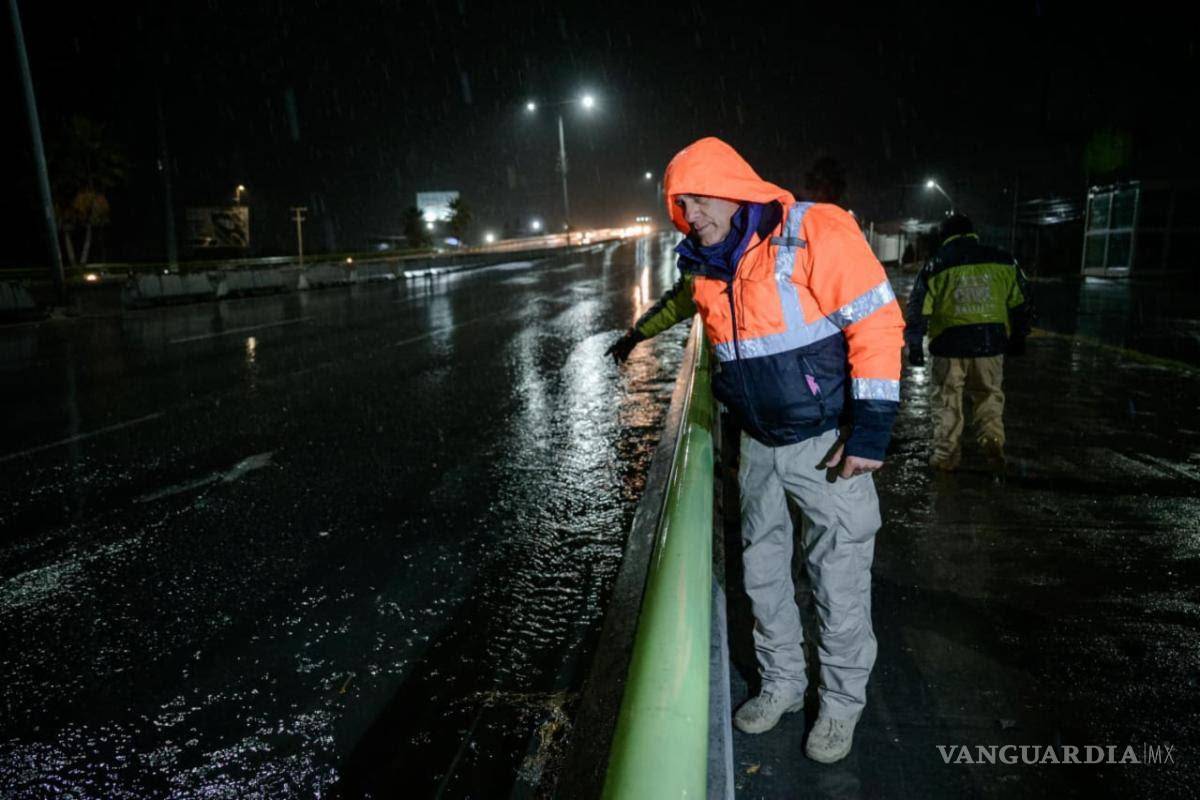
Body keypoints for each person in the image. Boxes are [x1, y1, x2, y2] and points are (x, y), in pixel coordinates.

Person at [605, 137, 904, 764]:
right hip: (758, 447)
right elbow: (675, 308)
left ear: (733, 187)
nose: (691, 213)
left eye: (699, 198)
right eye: (680, 204)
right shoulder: (705, 265)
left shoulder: (813, 229)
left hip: (829, 445)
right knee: (763, 577)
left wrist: (871, 430)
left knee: (837, 582)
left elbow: (877, 322)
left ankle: (841, 706)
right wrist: (635, 335)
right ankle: (784, 684)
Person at [904, 213, 1033, 471]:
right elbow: (1023, 301)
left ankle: (946, 455)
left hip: (948, 345)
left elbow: (917, 308)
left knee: (947, 400)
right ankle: (992, 439)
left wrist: (915, 345)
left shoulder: (936, 264)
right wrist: (1019, 336)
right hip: (990, 344)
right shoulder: (1004, 260)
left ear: (945, 235)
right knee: (988, 396)